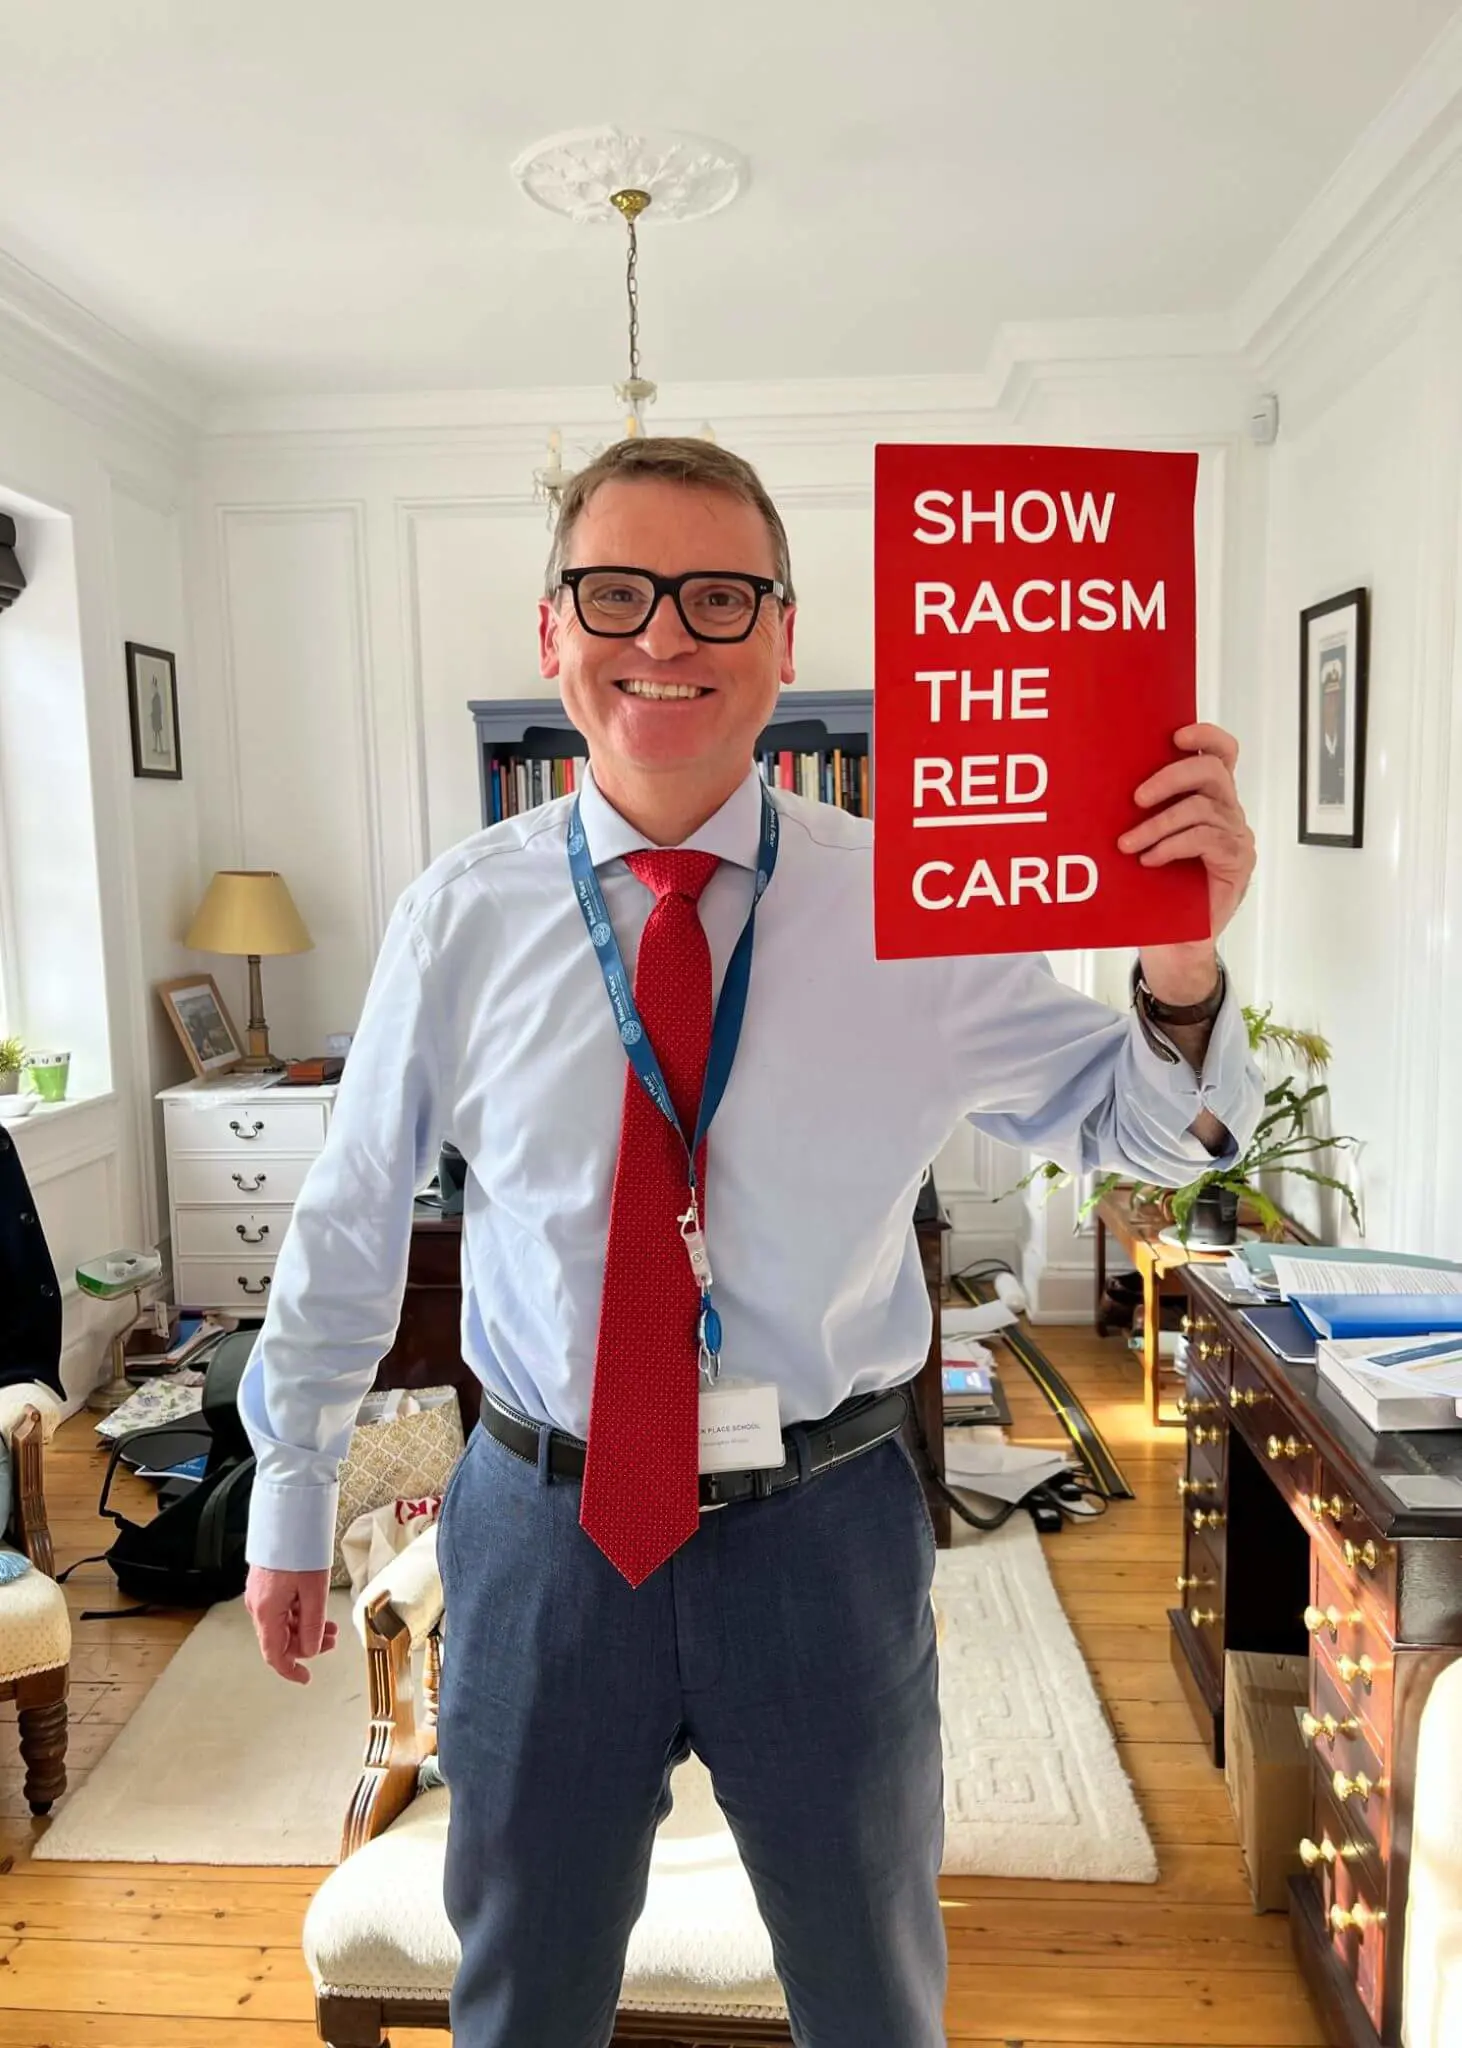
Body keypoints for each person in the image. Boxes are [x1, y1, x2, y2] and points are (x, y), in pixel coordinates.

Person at [241, 436, 1264, 2048]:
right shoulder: (457, 915)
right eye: (617, 593)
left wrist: (1180, 961)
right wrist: (293, 1492)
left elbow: (1145, 1132)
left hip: (822, 1533)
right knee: (521, 1992)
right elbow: (355, 1214)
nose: (665, 638)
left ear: (784, 638)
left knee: (866, 1986)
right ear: (550, 634)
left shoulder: (907, 907)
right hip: (543, 1532)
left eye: (719, 597)